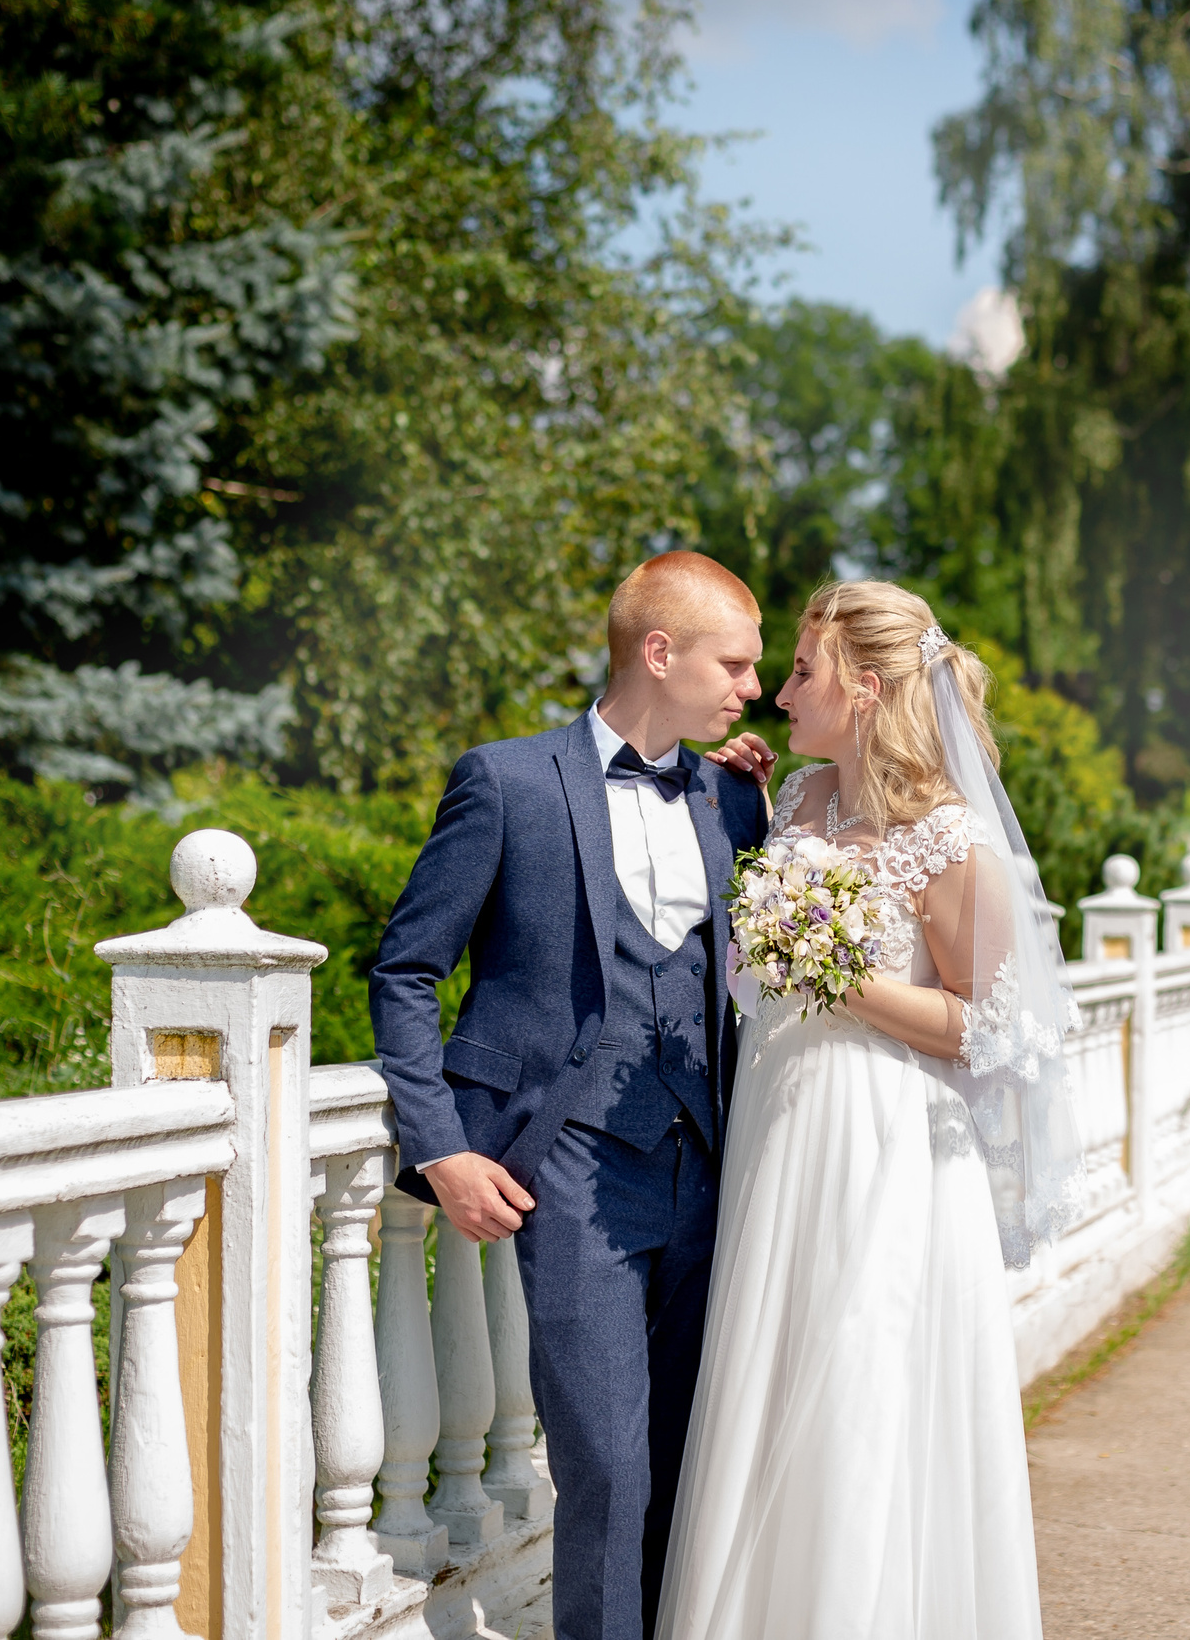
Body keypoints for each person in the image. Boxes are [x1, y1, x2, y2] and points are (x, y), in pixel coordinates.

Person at [657, 579, 1081, 1640]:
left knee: (857, 1385)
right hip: (780, 1123)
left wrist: (834, 973)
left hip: (883, 1137)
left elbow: (987, 1027)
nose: (780, 691)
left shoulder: (947, 837)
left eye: (801, 671)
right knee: (770, 1365)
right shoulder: (794, 801)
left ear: (868, 686)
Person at [367, 551, 779, 1640]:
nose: (753, 687)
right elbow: (406, 970)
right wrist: (442, 1147)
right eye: (734, 664)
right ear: (660, 653)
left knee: (691, 1457)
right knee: (604, 1463)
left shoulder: (735, 796)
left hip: (716, 1166)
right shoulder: (505, 782)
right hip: (568, 1164)